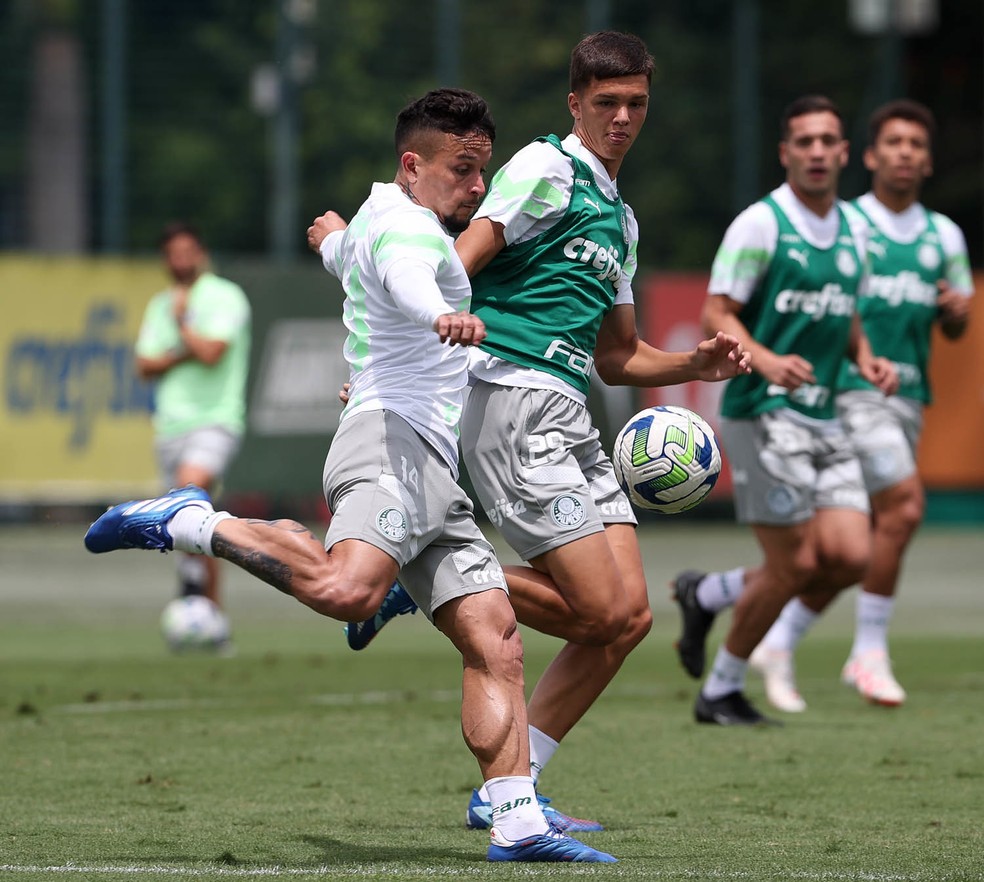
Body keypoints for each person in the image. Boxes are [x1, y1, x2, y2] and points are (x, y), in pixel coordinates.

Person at [85, 88, 615, 864]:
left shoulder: (383, 216)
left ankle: (516, 820)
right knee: (346, 591)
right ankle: (191, 522)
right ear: (413, 165)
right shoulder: (406, 233)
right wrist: (439, 315)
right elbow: (404, 277)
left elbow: (354, 259)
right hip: (390, 442)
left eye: (483, 171)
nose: (477, 188)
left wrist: (334, 241)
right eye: (464, 171)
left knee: (495, 637)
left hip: (434, 460)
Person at [348, 30, 751, 819]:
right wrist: (382, 362)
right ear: (576, 105)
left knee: (628, 619)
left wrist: (693, 367)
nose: (624, 118)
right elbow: (456, 264)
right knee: (599, 611)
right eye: (607, 104)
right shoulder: (546, 168)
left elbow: (618, 355)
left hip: (572, 412)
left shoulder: (621, 220)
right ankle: (421, 580)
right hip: (511, 398)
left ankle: (514, 784)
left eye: (636, 103)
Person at [670, 94, 898, 724]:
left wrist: (866, 356)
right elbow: (719, 311)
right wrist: (766, 361)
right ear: (786, 153)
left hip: (826, 414)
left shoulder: (855, 227)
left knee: (851, 557)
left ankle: (706, 592)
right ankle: (721, 689)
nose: (818, 152)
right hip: (762, 410)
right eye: (805, 142)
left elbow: (845, 309)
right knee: (794, 563)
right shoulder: (762, 224)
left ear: (845, 152)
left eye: (829, 141)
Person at [745, 99, 974, 711]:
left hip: (907, 398)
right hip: (847, 392)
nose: (905, 153)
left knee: (840, 553)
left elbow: (955, 324)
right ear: (870, 156)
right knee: (903, 508)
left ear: (927, 162)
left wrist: (957, 313)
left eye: (917, 145)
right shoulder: (846, 223)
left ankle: (770, 628)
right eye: (894, 142)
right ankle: (869, 652)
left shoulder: (943, 236)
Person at [134, 222, 251, 643]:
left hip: (215, 420)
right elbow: (144, 365)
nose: (180, 261)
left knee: (189, 492)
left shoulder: (225, 296)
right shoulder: (158, 303)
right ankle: (213, 616)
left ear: (200, 253)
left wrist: (182, 326)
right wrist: (184, 348)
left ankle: (190, 589)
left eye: (187, 252)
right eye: (172, 253)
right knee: (188, 521)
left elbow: (211, 352)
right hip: (170, 426)